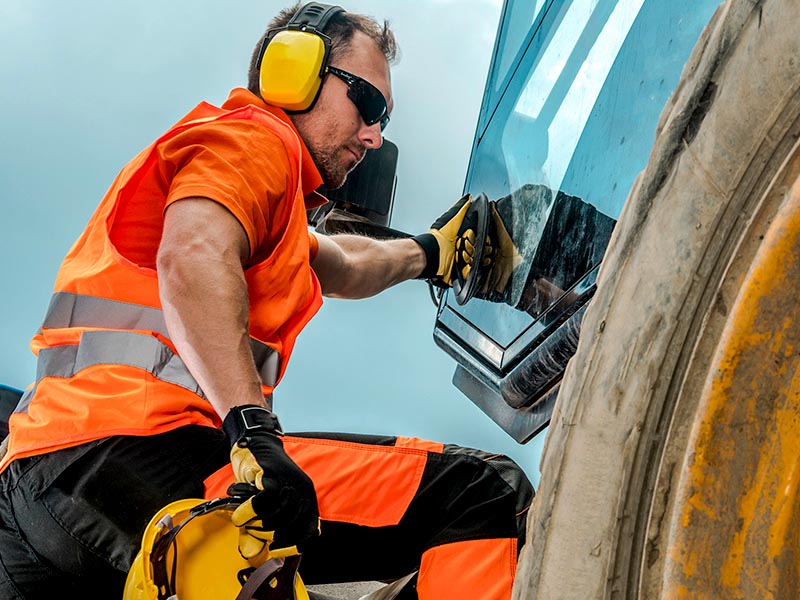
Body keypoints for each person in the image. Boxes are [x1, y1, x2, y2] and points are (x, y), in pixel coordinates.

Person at [0, 3, 533, 599]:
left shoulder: (256, 194)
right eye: (369, 105)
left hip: (37, 487)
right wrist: (253, 434)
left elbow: (347, 262)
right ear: (294, 72)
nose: (375, 135)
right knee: (483, 495)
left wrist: (430, 253)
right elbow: (192, 255)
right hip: (143, 454)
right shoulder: (255, 139)